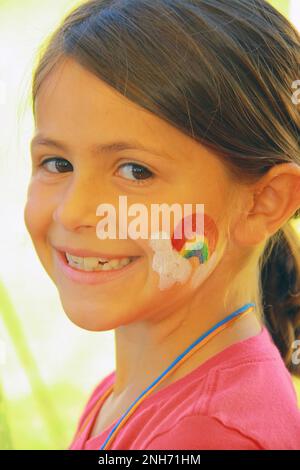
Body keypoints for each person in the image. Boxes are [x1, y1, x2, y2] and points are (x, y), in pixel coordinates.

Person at [24, 0, 300, 450]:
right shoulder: (132, 392)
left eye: (135, 171)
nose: (72, 213)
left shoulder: (208, 434)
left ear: (261, 204)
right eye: (57, 163)